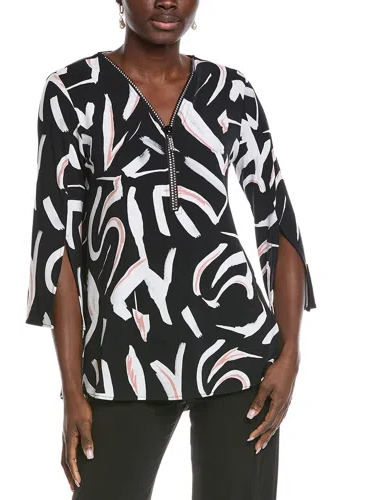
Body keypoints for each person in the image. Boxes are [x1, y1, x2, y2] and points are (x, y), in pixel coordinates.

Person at [25, 1, 316, 498]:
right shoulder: (74, 92)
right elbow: (58, 248)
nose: (167, 1)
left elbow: (277, 220)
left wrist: (289, 354)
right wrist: (72, 389)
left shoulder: (231, 92)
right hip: (123, 357)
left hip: (238, 353)